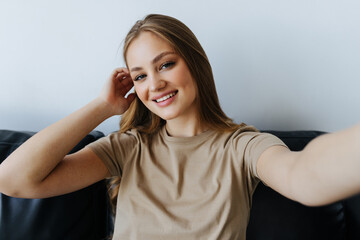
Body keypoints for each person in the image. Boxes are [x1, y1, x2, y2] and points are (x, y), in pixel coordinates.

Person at [0, 14, 359, 240]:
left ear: (195, 64)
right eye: (140, 75)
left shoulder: (242, 146)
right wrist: (102, 107)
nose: (154, 84)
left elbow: (304, 176)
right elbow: (15, 180)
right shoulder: (126, 147)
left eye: (165, 64)